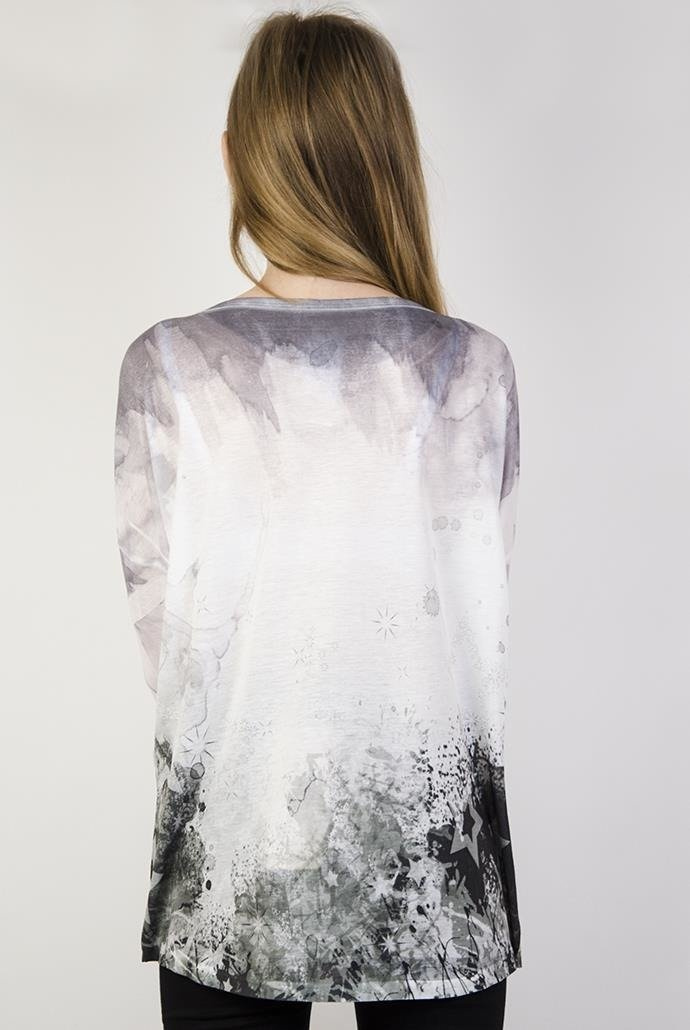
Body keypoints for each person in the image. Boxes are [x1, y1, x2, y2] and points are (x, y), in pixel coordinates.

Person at [113, 8, 522, 1029]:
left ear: (235, 157)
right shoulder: (473, 367)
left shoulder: (169, 367)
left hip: (231, 858)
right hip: (438, 869)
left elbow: (170, 647)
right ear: (389, 157)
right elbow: (470, 621)